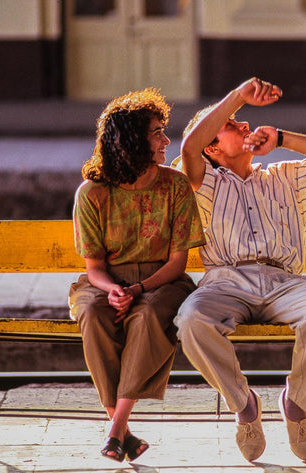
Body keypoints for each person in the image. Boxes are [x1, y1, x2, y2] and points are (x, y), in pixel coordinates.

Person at [173, 77, 306, 463]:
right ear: (213, 147)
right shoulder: (201, 181)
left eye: (242, 120)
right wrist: (238, 95)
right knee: (191, 319)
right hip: (225, 280)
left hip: (284, 281)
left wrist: (283, 137)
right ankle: (244, 405)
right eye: (230, 124)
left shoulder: (285, 175)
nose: (244, 125)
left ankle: (297, 403)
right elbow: (189, 145)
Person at [69, 88, 205, 463]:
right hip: (106, 282)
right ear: (130, 140)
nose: (166, 140)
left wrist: (139, 288)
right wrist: (115, 290)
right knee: (93, 314)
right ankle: (123, 434)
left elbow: (178, 262)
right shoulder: (92, 193)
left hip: (164, 281)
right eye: (157, 132)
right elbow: (93, 268)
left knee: (147, 316)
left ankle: (115, 428)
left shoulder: (175, 185)